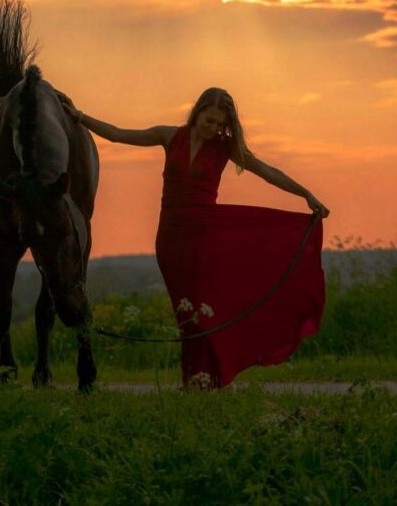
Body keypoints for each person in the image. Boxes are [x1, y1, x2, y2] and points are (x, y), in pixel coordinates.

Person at [58, 87, 329, 390]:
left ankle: (201, 381)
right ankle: (198, 380)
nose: (212, 128)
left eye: (219, 124)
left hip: (206, 236)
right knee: (184, 311)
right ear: (197, 111)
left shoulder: (225, 148)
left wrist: (306, 194)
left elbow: (267, 171)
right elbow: (119, 134)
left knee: (202, 309)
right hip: (170, 238)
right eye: (209, 120)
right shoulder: (170, 136)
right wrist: (80, 117)